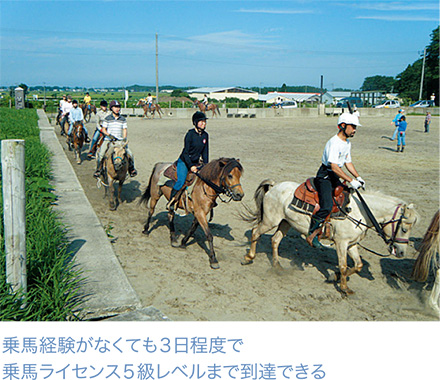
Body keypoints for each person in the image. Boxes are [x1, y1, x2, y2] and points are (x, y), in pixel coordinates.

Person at [306, 113, 365, 248]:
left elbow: (348, 162)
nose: (355, 130)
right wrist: (350, 180)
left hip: (335, 175)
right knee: (326, 206)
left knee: (345, 197)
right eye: (353, 127)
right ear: (343, 126)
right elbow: (333, 166)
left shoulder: (346, 143)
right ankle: (312, 234)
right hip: (325, 176)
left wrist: (358, 177)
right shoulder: (334, 142)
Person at [167, 111, 209, 211]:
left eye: (204, 121)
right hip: (184, 161)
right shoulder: (190, 134)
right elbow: (185, 153)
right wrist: (190, 166)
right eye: (201, 121)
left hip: (196, 162)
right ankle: (171, 202)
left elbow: (205, 152)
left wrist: (206, 166)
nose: (204, 123)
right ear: (195, 123)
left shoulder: (205, 135)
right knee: (181, 181)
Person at [93, 100, 137, 178]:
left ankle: (131, 169)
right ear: (111, 108)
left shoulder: (122, 119)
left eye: (118, 107)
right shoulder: (107, 118)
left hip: (119, 141)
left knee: (130, 154)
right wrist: (109, 135)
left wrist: (124, 138)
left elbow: (124, 129)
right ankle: (98, 170)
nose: (117, 109)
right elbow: (104, 129)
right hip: (109, 140)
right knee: (101, 154)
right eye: (115, 107)